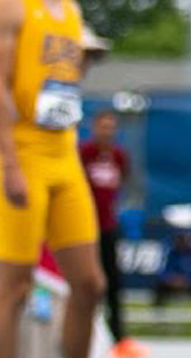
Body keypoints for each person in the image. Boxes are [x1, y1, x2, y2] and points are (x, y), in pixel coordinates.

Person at [0, 0, 105, 358]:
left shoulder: (70, 10)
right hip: (23, 153)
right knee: (13, 288)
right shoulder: (12, 2)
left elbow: (57, 81)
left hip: (63, 155)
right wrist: (9, 162)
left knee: (89, 284)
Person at [79, 110, 144, 357]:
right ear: (94, 128)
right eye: (102, 126)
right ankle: (83, 334)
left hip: (108, 228)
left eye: (111, 127)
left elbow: (123, 183)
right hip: (84, 231)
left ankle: (119, 338)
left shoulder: (118, 156)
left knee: (113, 284)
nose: (107, 132)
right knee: (85, 284)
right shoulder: (84, 153)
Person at [154, 231, 191, 307]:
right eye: (179, 239)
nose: (181, 241)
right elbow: (163, 271)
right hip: (173, 283)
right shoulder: (171, 254)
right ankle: (158, 312)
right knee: (159, 286)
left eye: (183, 239)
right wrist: (172, 279)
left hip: (190, 283)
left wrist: (188, 280)